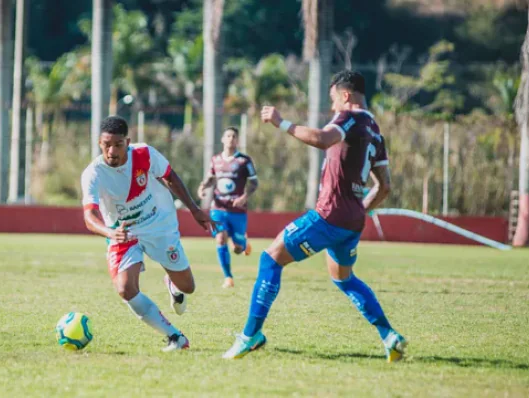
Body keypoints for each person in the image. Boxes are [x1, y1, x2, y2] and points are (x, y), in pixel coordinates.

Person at [222, 71, 407, 362]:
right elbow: (385, 186)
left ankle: (249, 335)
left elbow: (323, 139)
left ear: (345, 96)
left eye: (334, 100)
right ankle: (389, 336)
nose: (333, 108)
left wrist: (281, 122)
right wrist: (359, 210)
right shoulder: (375, 130)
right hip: (352, 222)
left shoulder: (351, 117)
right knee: (343, 278)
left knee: (270, 259)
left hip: (329, 216)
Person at [81, 115, 215, 352]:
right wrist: (110, 233)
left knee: (188, 287)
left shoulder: (144, 154)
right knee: (125, 289)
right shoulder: (93, 173)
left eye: (118, 144)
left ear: (128, 142)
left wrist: (194, 209)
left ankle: (173, 285)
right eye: (106, 144)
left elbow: (170, 176)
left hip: (159, 224)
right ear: (99, 143)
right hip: (124, 233)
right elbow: (89, 217)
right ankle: (175, 337)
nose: (111, 151)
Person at [198, 127, 259, 288]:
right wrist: (203, 186)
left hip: (238, 210)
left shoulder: (244, 161)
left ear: (237, 140)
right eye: (228, 136)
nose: (231, 138)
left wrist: (244, 197)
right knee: (220, 237)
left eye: (234, 136)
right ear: (223, 139)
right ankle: (228, 277)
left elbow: (254, 182)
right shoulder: (215, 160)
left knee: (238, 248)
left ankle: (242, 243)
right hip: (218, 208)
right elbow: (211, 179)